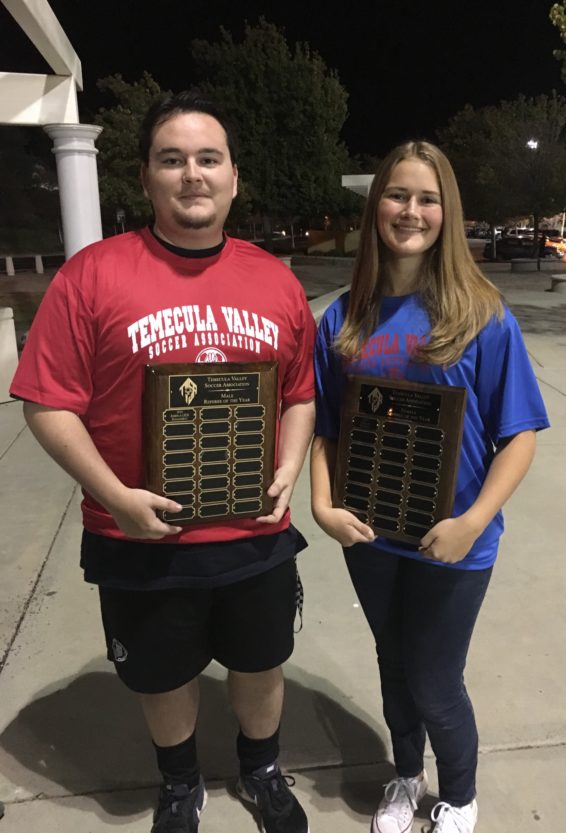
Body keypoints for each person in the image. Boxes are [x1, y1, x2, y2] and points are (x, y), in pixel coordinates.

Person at [10, 91, 316, 833]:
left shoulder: (274, 280)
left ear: (233, 177)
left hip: (251, 532)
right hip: (139, 537)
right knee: (160, 673)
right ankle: (179, 783)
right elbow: (46, 402)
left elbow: (301, 392)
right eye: (171, 159)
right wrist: (113, 493)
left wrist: (290, 465)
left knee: (260, 662)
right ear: (145, 178)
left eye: (207, 159)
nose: (192, 175)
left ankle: (262, 767)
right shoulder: (90, 276)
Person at [311, 141, 549, 833]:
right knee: (393, 667)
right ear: (374, 205)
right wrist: (322, 505)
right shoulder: (343, 319)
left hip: (452, 540)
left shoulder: (481, 314)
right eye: (396, 195)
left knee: (435, 680)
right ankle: (406, 776)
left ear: (445, 211)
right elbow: (326, 430)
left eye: (425, 198)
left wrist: (472, 521)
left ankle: (460, 795)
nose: (409, 211)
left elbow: (521, 435)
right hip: (369, 533)